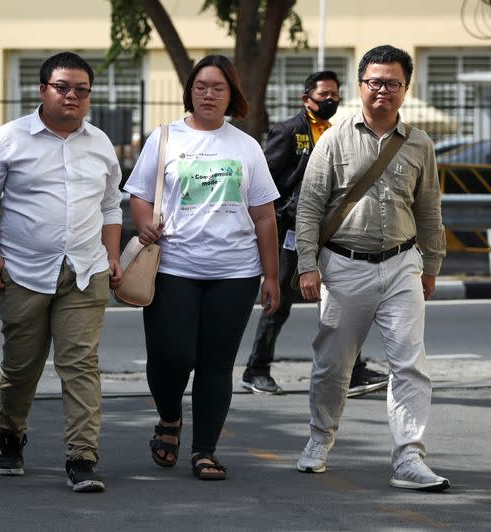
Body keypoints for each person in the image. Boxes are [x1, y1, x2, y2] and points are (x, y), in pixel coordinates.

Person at [294, 45, 449, 491]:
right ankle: (320, 440)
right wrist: (308, 264)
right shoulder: (335, 138)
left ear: (405, 88)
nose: (383, 90)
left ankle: (409, 458)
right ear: (360, 85)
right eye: (374, 82)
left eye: (393, 83)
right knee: (332, 365)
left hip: (402, 264)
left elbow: (429, 210)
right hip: (343, 267)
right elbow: (309, 207)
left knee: (410, 365)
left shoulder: (420, 144)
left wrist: (431, 263)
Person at [0, 52, 122, 493]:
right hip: (23, 271)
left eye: (81, 89)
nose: (72, 95)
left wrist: (111, 255)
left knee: (80, 365)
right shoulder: (7, 139)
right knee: (22, 366)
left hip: (86, 270)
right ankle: (10, 433)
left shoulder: (100, 144)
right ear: (42, 90)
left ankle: (82, 456)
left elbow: (111, 204)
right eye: (62, 87)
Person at [124, 54, 280, 480]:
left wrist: (271, 275)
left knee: (215, 362)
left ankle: (205, 450)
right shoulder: (165, 138)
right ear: (189, 91)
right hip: (174, 265)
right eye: (201, 86)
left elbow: (265, 216)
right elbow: (139, 194)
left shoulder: (245, 145)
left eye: (218, 88)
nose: (209, 94)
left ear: (231, 95)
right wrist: (143, 222)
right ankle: (170, 418)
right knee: (170, 354)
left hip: (235, 272)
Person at [241, 71, 389, 397]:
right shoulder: (290, 131)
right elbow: (264, 181)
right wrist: (280, 216)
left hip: (328, 232)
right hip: (291, 231)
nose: (331, 100)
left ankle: (351, 370)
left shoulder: (335, 133)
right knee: (278, 301)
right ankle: (256, 369)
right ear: (306, 98)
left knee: (341, 299)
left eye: (335, 94)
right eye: (324, 94)